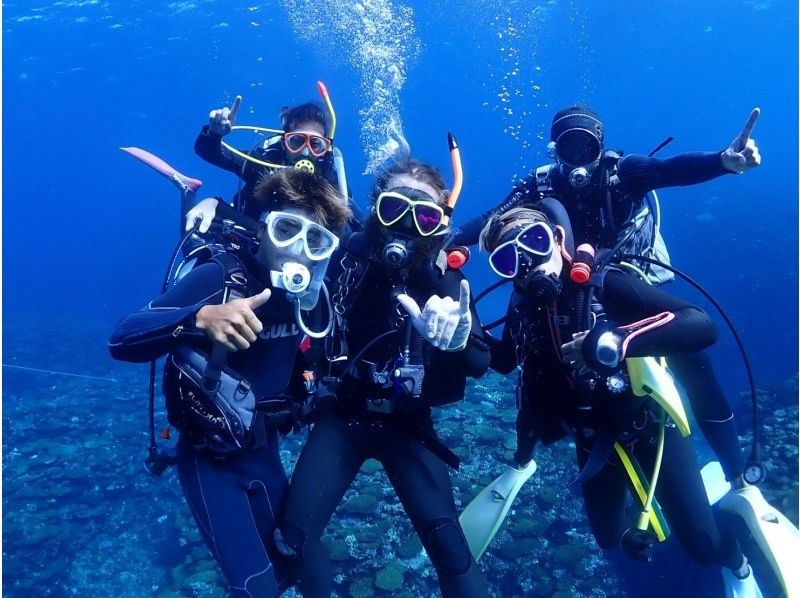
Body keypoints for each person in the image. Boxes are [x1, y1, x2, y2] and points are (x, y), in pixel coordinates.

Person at [455, 105, 762, 487]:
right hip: (565, 280)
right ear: (556, 151)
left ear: (600, 146)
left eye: (588, 147)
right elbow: (491, 217)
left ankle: (738, 476)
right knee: (540, 362)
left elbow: (673, 170)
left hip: (627, 276)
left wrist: (722, 162)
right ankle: (535, 454)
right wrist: (446, 241)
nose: (579, 160)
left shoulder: (625, 172)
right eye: (570, 149)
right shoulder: (540, 185)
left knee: (692, 356)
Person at [475, 205, 762, 596]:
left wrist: (619, 340)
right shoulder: (522, 305)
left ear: (559, 239)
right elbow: (506, 359)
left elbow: (701, 325)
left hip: (647, 429)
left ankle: (738, 561)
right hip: (592, 440)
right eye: (509, 259)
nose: (527, 262)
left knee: (703, 547)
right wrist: (464, 335)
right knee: (610, 538)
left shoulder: (606, 285)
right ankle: (651, 516)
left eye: (535, 241)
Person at [108, 169, 352, 597]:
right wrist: (198, 318)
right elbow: (123, 337)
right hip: (209, 459)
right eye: (286, 228)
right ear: (262, 227)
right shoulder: (221, 277)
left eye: (315, 240)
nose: (297, 247)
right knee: (255, 587)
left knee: (297, 570)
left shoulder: (311, 301)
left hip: (265, 452)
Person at [277, 155, 492, 597]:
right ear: (375, 208)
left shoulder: (443, 277)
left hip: (407, 424)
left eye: (425, 215)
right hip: (345, 417)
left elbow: (479, 363)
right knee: (292, 542)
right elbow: (275, 232)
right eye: (394, 209)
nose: (406, 226)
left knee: (450, 550)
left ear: (437, 226)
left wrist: (457, 341)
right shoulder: (345, 258)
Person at [188, 90, 361, 232]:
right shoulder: (263, 165)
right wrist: (214, 134)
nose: (306, 152)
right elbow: (208, 151)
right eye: (297, 141)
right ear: (285, 144)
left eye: (316, 144)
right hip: (250, 234)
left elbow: (357, 224)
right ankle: (188, 192)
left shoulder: (332, 182)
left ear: (325, 149)